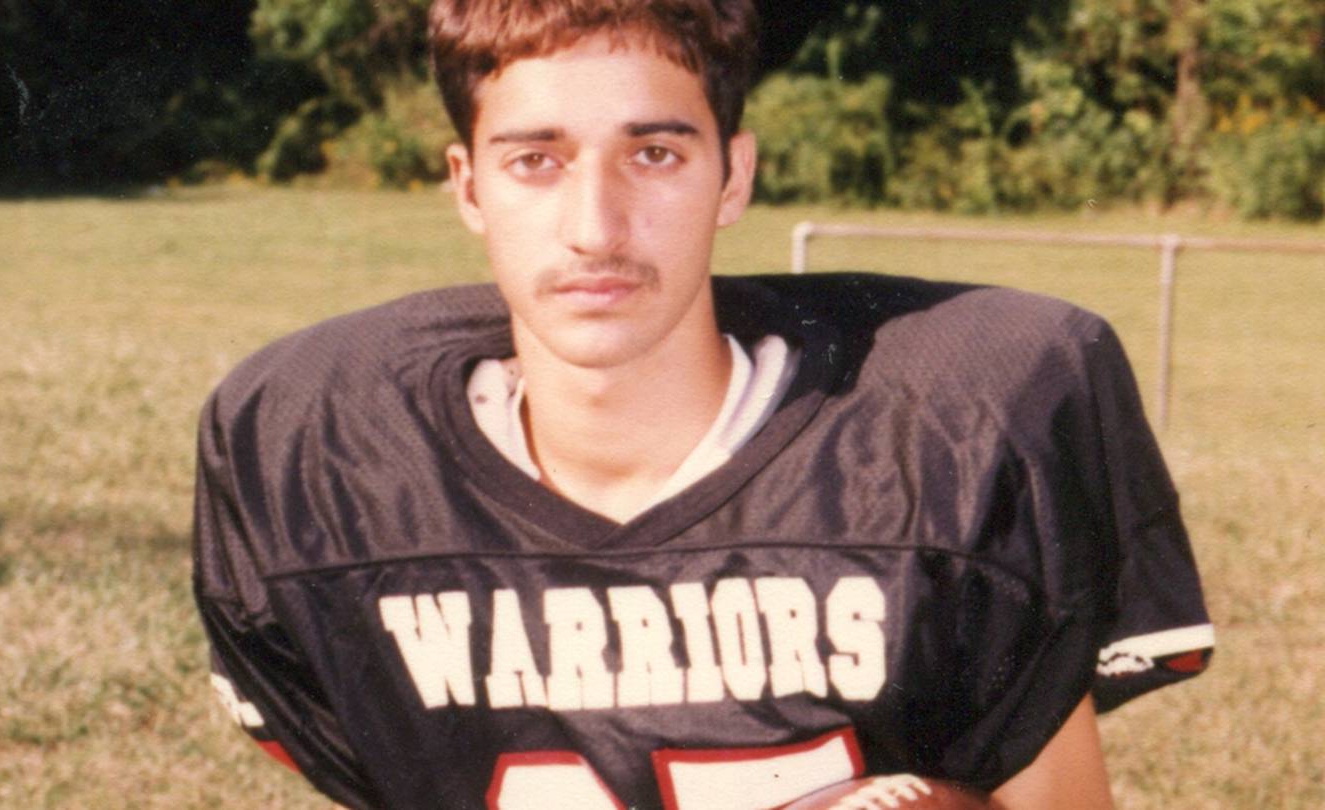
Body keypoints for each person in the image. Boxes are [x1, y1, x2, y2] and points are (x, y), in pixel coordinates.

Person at [192, 1, 1213, 808]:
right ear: (468, 187)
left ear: (735, 176)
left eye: (656, 153)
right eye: (535, 159)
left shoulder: (957, 432)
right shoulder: (316, 456)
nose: (596, 226)